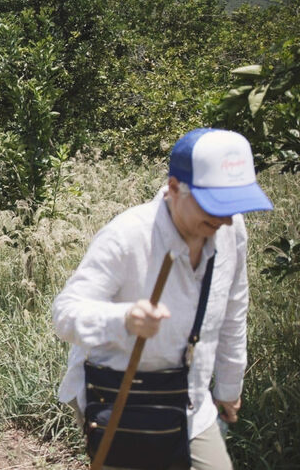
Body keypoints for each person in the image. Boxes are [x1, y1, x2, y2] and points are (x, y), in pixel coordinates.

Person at [52, 128, 274, 470]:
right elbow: (65, 314)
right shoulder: (128, 235)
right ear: (173, 188)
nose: (227, 217)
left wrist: (229, 386)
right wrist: (124, 319)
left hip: (191, 400)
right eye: (217, 205)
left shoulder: (231, 230)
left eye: (236, 204)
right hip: (124, 398)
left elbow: (233, 307)